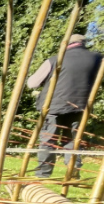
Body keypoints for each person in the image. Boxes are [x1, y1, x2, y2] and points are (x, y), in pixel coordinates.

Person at [27, 33, 102, 178]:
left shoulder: (56, 59)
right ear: (83, 43)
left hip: (53, 106)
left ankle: (43, 174)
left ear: (66, 44)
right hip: (80, 106)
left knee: (49, 141)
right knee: (73, 140)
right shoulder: (97, 59)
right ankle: (72, 172)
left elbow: (32, 83)